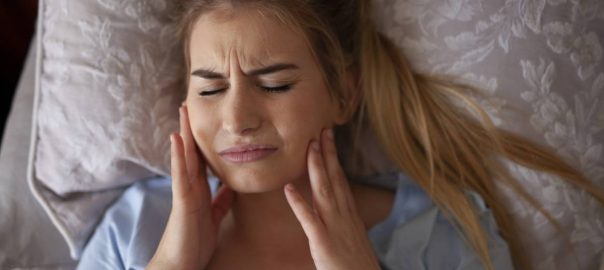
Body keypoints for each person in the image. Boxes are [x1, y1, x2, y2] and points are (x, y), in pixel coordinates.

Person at [76, 0, 604, 269]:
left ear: (345, 95)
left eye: (276, 84)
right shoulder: (132, 231)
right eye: (211, 90)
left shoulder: (439, 233)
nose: (238, 119)